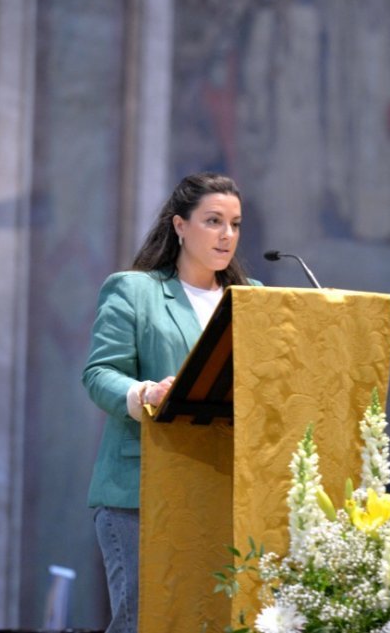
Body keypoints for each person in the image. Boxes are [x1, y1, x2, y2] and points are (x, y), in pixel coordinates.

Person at [82, 173, 257, 633]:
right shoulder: (134, 291)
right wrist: (143, 394)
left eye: (235, 224)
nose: (227, 235)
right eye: (213, 221)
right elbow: (99, 374)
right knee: (145, 621)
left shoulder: (254, 300)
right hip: (142, 490)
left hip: (226, 488)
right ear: (180, 226)